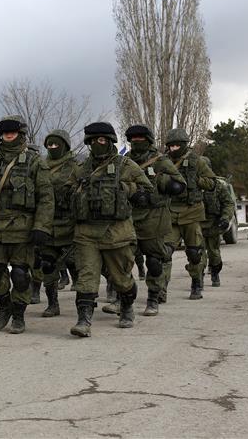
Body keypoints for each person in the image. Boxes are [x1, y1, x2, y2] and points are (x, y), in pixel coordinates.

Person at [68, 122, 153, 337]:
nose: (97, 144)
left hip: (117, 233)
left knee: (121, 278)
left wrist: (126, 189)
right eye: (93, 140)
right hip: (86, 233)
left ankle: (127, 307)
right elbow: (67, 193)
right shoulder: (81, 168)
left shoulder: (126, 165)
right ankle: (84, 321)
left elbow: (148, 192)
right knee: (86, 277)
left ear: (110, 141)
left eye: (102, 140)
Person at [0, 115, 54, 334]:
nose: (9, 135)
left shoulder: (35, 162)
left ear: (21, 133)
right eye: (5, 132)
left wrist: (41, 227)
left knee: (20, 274)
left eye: (13, 131)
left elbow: (46, 198)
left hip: (23, 228)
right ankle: (4, 305)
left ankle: (18, 313)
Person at [109, 124, 185, 317]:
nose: (136, 141)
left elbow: (179, 184)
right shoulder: (124, 161)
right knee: (122, 261)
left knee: (153, 261)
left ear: (148, 140)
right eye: (133, 139)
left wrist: (163, 182)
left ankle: (153, 298)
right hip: (128, 218)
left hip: (154, 218)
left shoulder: (161, 161)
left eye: (140, 138)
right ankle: (121, 299)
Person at [161, 128, 216, 301]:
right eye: (171, 146)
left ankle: (196, 283)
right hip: (170, 213)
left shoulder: (196, 161)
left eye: (177, 145)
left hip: (191, 213)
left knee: (194, 252)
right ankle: (160, 289)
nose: (174, 149)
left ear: (184, 145)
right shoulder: (163, 161)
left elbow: (212, 182)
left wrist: (196, 180)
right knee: (164, 253)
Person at [35, 129, 83, 318]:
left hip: (69, 225)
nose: (53, 147)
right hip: (47, 225)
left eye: (56, 144)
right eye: (50, 144)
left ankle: (83, 305)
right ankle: (52, 304)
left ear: (65, 146)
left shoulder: (76, 167)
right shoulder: (40, 166)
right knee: (47, 265)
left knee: (75, 264)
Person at [200, 160, 235, 287]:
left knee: (214, 253)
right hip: (196, 224)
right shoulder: (192, 184)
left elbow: (228, 203)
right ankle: (198, 279)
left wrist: (225, 218)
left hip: (213, 224)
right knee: (197, 254)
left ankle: (215, 273)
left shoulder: (218, 186)